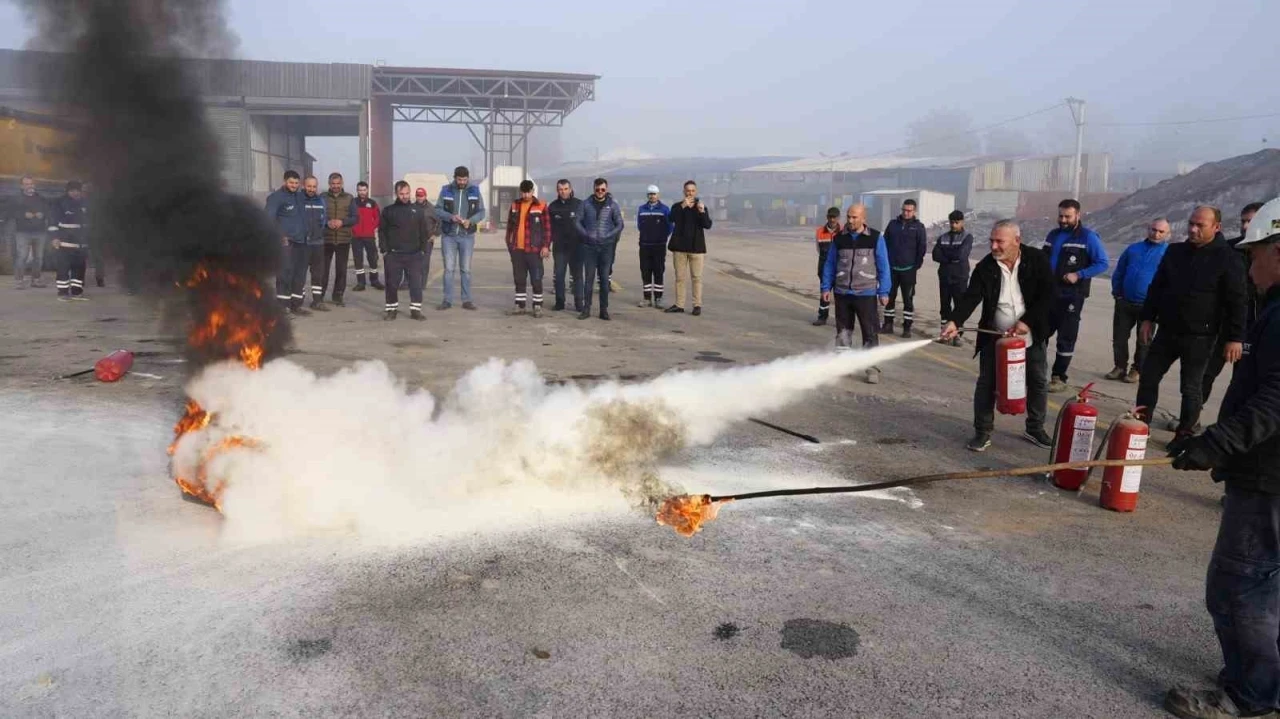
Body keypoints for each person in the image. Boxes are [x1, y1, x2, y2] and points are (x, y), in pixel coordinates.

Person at [1162, 197, 1280, 719]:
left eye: (1254, 255)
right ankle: (1265, 681)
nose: (1248, 267)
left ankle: (1249, 695)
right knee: (1268, 581)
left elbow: (1275, 400)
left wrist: (1215, 443)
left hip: (1268, 476)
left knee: (1240, 584)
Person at [1136, 206, 1248, 453]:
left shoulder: (1228, 258)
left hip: (1201, 337)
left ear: (1216, 227)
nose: (1193, 229)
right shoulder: (1175, 252)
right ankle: (1140, 424)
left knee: (1191, 388)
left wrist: (1235, 338)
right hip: (1167, 331)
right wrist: (1147, 318)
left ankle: (1184, 434)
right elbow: (1157, 287)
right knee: (1149, 377)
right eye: (1191, 224)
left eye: (1200, 225)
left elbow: (1238, 301)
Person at [940, 219, 1056, 452]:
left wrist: (1027, 322)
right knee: (986, 384)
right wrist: (954, 321)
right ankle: (982, 432)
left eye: (999, 242)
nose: (993, 246)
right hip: (994, 337)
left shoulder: (1037, 260)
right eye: (991, 241)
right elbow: (971, 297)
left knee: (1037, 381)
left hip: (1030, 336)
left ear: (1017, 241)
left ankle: (1035, 428)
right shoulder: (986, 267)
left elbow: (1048, 295)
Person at [1043, 199, 1110, 392]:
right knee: (1039, 334)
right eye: (1061, 216)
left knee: (1066, 338)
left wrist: (1078, 274)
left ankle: (1059, 377)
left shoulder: (1088, 237)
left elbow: (1102, 263)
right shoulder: (1053, 235)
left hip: (1071, 296)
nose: (1063, 220)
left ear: (1078, 216)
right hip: (1049, 294)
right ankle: (1036, 372)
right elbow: (1043, 259)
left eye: (1068, 216)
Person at [1203, 202, 1267, 404]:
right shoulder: (1227, 249)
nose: (1245, 226)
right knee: (1204, 374)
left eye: (1251, 221)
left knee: (1243, 380)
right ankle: (1190, 416)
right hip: (1222, 326)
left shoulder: (1272, 253)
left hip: (1255, 328)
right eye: (1243, 221)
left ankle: (1233, 418)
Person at [820, 204, 890, 383]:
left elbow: (883, 266)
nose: (850, 220)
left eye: (854, 217)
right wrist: (826, 287)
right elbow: (830, 264)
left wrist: (884, 291)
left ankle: (871, 368)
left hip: (866, 293)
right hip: (842, 292)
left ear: (863, 218)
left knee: (870, 331)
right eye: (848, 217)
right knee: (843, 331)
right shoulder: (839, 239)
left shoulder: (875, 238)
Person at [1106, 218, 1171, 383]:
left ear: (1168, 233)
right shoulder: (1133, 249)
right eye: (1154, 230)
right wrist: (1117, 293)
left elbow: (1170, 281)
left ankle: (1137, 370)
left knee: (1144, 341)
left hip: (1148, 306)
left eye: (1161, 231)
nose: (1156, 234)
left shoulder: (1168, 253)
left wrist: (1161, 304)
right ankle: (1119, 367)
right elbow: (1119, 271)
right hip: (1125, 302)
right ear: (1148, 229)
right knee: (1119, 338)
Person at [378, 181, 431, 321]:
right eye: (401, 194)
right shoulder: (388, 211)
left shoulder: (418, 211)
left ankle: (415, 311)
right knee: (392, 284)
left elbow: (424, 232)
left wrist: (423, 250)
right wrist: (384, 250)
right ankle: (391, 310)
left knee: (416, 284)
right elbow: (382, 231)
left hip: (414, 255)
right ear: (396, 193)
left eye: (407, 193)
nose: (405, 196)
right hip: (394, 255)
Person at [435, 166, 484, 311]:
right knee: (449, 269)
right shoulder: (446, 190)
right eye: (459, 179)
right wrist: (450, 217)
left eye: (464, 179)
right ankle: (447, 300)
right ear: (455, 178)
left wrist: (471, 221)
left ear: (468, 178)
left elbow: (482, 212)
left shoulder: (475, 191)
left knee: (466, 270)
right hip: (449, 236)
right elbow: (437, 209)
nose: (462, 182)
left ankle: (466, 300)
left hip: (467, 236)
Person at [577, 177, 624, 321]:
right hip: (589, 247)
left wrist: (608, 236)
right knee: (588, 280)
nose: (600, 191)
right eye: (597, 189)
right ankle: (586, 309)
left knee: (604, 280)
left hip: (606, 248)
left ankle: (604, 310)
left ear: (606, 189)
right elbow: (577, 221)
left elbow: (620, 224)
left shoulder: (613, 205)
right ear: (594, 189)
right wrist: (586, 235)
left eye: (602, 189)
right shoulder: (585, 204)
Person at [503, 180, 552, 317]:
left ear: (533, 191)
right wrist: (510, 245)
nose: (525, 195)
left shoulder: (541, 205)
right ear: (520, 191)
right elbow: (509, 227)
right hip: (517, 250)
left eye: (528, 192)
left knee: (536, 278)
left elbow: (547, 228)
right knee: (519, 279)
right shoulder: (515, 205)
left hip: (534, 251)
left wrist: (546, 246)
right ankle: (520, 306)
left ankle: (537, 306)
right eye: (523, 192)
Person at [880, 198, 928, 337]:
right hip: (891, 269)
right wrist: (885, 264)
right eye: (904, 210)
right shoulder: (892, 224)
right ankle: (888, 324)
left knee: (908, 299)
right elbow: (884, 244)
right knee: (890, 297)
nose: (906, 213)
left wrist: (915, 266)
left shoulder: (919, 227)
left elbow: (922, 248)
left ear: (914, 211)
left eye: (909, 211)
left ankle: (907, 327)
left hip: (908, 270)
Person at [264, 170, 309, 314]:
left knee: (299, 274)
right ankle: (283, 307)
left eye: (296, 183)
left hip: (302, 242)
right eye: (291, 182)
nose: (294, 185)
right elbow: (268, 219)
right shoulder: (275, 198)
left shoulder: (300, 197)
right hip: (286, 244)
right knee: (285, 274)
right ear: (284, 181)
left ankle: (296, 305)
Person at [666, 180, 713, 316]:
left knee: (696, 278)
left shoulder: (701, 207)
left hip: (696, 248)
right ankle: (679, 305)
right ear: (684, 191)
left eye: (692, 191)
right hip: (679, 248)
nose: (690, 193)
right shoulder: (677, 206)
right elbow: (671, 218)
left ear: (696, 192)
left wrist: (702, 212)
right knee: (680, 278)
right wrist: (683, 206)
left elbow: (707, 225)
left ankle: (697, 305)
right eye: (688, 190)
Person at [932, 209, 973, 345]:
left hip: (960, 277)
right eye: (951, 222)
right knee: (945, 306)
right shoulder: (943, 237)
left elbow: (961, 255)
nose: (954, 225)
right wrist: (951, 257)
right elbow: (935, 255)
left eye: (956, 222)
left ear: (962, 222)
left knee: (959, 306)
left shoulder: (967, 237)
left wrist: (946, 255)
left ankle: (957, 335)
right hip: (945, 276)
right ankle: (944, 333)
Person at [319, 172, 358, 307]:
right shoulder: (322, 197)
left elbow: (355, 218)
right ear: (329, 184)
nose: (336, 186)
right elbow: (317, 215)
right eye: (333, 184)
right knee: (323, 270)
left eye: (338, 183)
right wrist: (327, 222)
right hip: (326, 239)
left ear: (342, 183)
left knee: (341, 270)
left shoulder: (349, 198)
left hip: (343, 240)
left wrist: (342, 222)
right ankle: (320, 296)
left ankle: (338, 296)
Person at [49, 180, 89, 301]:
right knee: (63, 268)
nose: (75, 193)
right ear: (67, 191)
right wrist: (54, 237)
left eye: (77, 190)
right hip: (64, 242)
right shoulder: (59, 202)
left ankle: (77, 292)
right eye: (72, 191)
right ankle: (63, 293)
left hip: (81, 243)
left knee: (79, 268)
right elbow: (53, 221)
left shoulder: (85, 202)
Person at [548, 179, 584, 312]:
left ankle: (579, 303)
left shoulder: (579, 205)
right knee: (559, 276)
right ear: (557, 191)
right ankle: (559, 302)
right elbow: (548, 228)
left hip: (577, 248)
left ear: (570, 189)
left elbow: (586, 225)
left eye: (565, 189)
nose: (563, 192)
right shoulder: (552, 207)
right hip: (560, 248)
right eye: (560, 189)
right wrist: (546, 245)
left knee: (578, 277)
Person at [636, 184, 672, 308]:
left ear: (658, 195)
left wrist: (661, 237)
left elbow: (670, 226)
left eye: (654, 194)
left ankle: (658, 298)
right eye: (650, 194)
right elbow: (639, 225)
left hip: (659, 246)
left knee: (658, 271)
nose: (652, 196)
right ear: (647, 195)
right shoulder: (641, 209)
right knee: (645, 271)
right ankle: (647, 298)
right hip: (644, 246)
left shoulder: (664, 209)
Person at [12, 175, 48, 290]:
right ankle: (19, 281)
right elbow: (10, 212)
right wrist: (23, 215)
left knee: (39, 258)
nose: (29, 186)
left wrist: (43, 215)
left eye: (31, 184)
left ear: (34, 185)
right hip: (23, 232)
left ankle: (36, 280)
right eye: (26, 184)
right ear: (21, 186)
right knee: (22, 256)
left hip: (40, 232)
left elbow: (48, 211)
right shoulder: (16, 199)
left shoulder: (41, 198)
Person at [300, 176, 329, 311]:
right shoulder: (299, 200)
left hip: (318, 243)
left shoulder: (321, 201)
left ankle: (317, 301)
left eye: (314, 186)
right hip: (303, 243)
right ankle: (298, 301)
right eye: (309, 186)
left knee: (318, 274)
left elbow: (324, 219)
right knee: (300, 273)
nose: (311, 189)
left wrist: (319, 233)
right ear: (303, 186)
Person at [350, 181, 384, 292]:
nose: (362, 192)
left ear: (367, 190)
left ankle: (375, 280)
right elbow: (349, 217)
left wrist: (371, 228)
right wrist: (353, 228)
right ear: (357, 190)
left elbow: (378, 218)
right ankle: (361, 283)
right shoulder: (353, 203)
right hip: (356, 236)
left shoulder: (372, 203)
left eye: (364, 190)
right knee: (358, 260)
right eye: (360, 190)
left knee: (373, 258)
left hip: (369, 236)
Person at [812, 206, 841, 326]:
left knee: (840, 296)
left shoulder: (843, 231)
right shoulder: (820, 232)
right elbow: (818, 249)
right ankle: (822, 317)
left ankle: (841, 320)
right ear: (827, 217)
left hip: (839, 268)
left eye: (834, 217)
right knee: (824, 292)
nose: (832, 220)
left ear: (838, 218)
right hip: (824, 267)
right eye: (830, 217)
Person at [412, 188, 440, 294]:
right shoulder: (411, 207)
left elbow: (440, 223)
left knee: (424, 263)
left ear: (425, 196)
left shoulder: (431, 208)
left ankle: (422, 284)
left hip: (427, 240)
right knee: (412, 262)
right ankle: (411, 282)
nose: (420, 198)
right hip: (414, 239)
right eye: (418, 196)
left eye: (421, 196)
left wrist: (435, 234)